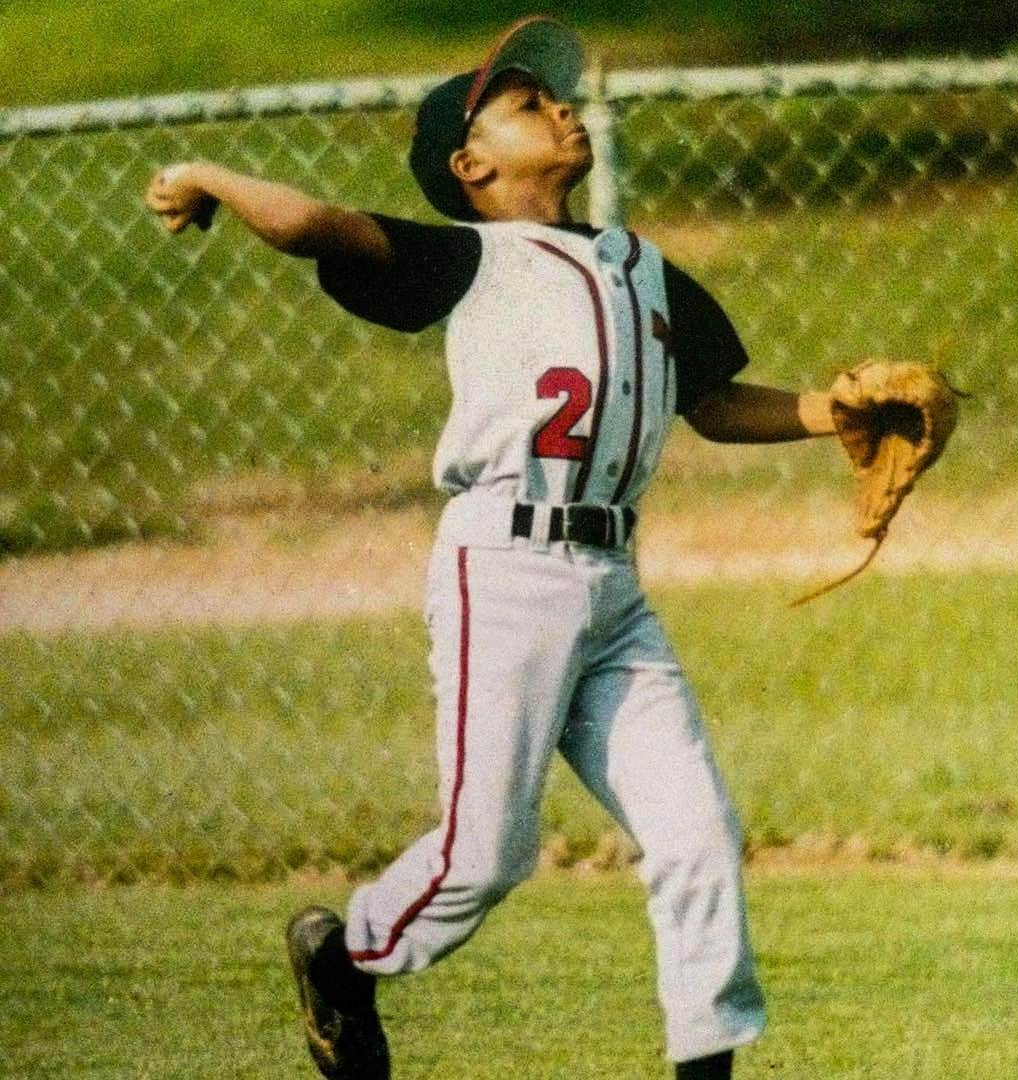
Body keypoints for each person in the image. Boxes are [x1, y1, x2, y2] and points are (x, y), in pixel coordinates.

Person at [146, 16, 840, 1079]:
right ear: (471, 166)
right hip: (504, 571)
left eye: (554, 97)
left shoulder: (644, 270)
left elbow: (714, 401)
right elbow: (312, 225)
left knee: (699, 832)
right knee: (487, 855)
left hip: (617, 588)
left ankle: (707, 1065)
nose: (560, 107)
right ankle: (348, 957)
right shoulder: (468, 258)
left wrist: (834, 411)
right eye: (526, 104)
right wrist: (207, 173)